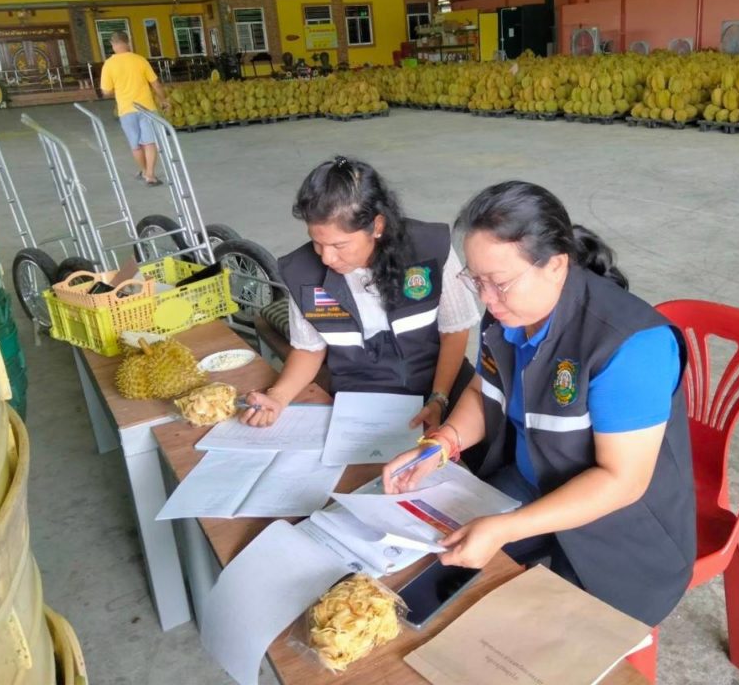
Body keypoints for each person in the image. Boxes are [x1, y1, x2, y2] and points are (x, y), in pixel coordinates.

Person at [382, 181, 696, 627]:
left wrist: (507, 527)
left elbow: (621, 482)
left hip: (619, 526)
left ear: (555, 265)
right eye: (476, 281)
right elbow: (482, 390)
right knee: (422, 576)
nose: (487, 300)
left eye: (499, 283)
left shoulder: (630, 345)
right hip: (532, 482)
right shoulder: (510, 310)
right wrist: (440, 445)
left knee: (536, 642)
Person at [241, 156, 481, 432]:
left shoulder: (428, 248)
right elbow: (309, 349)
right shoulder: (303, 274)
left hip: (439, 384)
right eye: (317, 243)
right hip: (361, 400)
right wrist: (278, 397)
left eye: (339, 245)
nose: (327, 257)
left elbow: (455, 330)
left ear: (377, 226)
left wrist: (439, 398)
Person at [99, 30, 169, 186]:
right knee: (149, 142)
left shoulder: (109, 65)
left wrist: (119, 90)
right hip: (147, 108)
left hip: (126, 110)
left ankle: (145, 171)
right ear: (128, 41)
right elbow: (156, 84)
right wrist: (163, 100)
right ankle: (150, 175)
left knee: (135, 144)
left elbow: (106, 91)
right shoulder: (140, 60)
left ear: (112, 44)